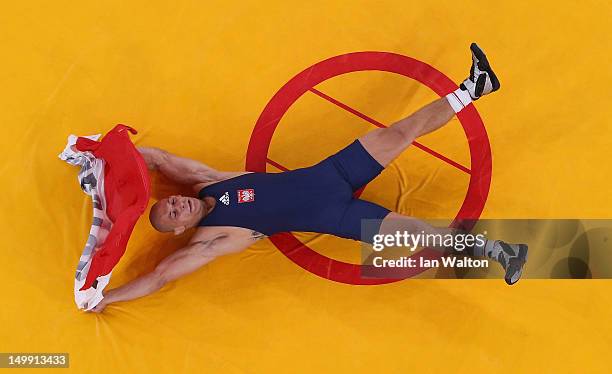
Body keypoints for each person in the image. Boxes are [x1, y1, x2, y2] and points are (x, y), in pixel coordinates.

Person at [91, 43, 527, 313]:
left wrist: (99, 161)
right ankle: (501, 251)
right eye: (173, 215)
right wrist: (104, 296)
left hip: (330, 173)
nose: (176, 205)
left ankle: (475, 87)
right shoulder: (211, 239)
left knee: (397, 132)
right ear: (182, 229)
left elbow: (155, 157)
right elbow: (162, 276)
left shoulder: (206, 182)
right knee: (417, 233)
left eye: (169, 203)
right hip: (335, 214)